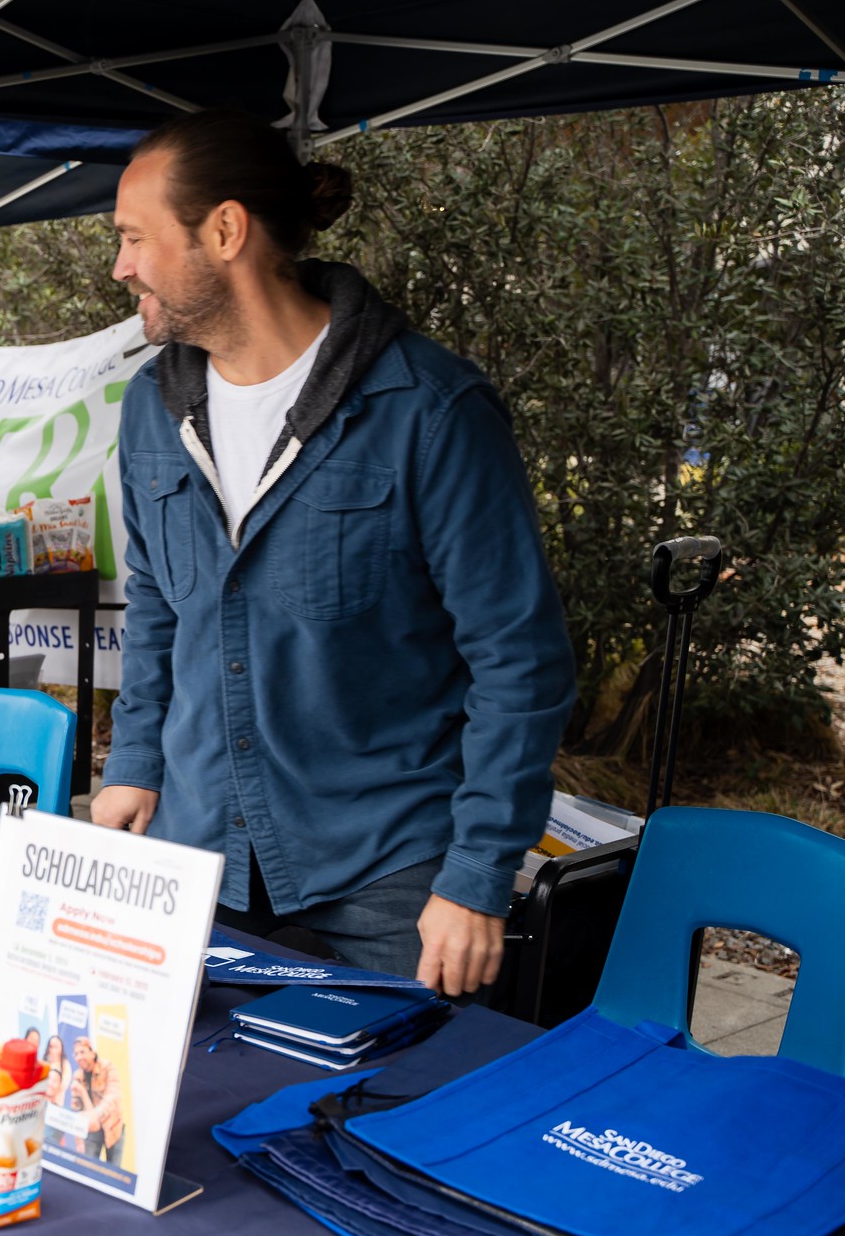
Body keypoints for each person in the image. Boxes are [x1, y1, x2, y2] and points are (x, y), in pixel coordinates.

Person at [91, 109, 575, 999]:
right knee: (175, 1084)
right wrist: (134, 763)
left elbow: (520, 660)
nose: (121, 266)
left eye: (134, 237)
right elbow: (157, 606)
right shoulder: (148, 410)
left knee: (405, 1090)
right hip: (197, 851)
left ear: (225, 231)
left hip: (391, 873)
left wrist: (477, 872)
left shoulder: (430, 410)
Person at [67, 1037, 123, 1168]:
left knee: (114, 1172)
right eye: (76, 1054)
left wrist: (96, 1114)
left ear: (92, 1053)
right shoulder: (77, 1076)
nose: (79, 1057)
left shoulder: (108, 1067)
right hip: (92, 1129)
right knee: (87, 1167)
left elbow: (113, 1096)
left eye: (82, 1052)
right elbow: (76, 1110)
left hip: (112, 1126)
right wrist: (79, 1141)